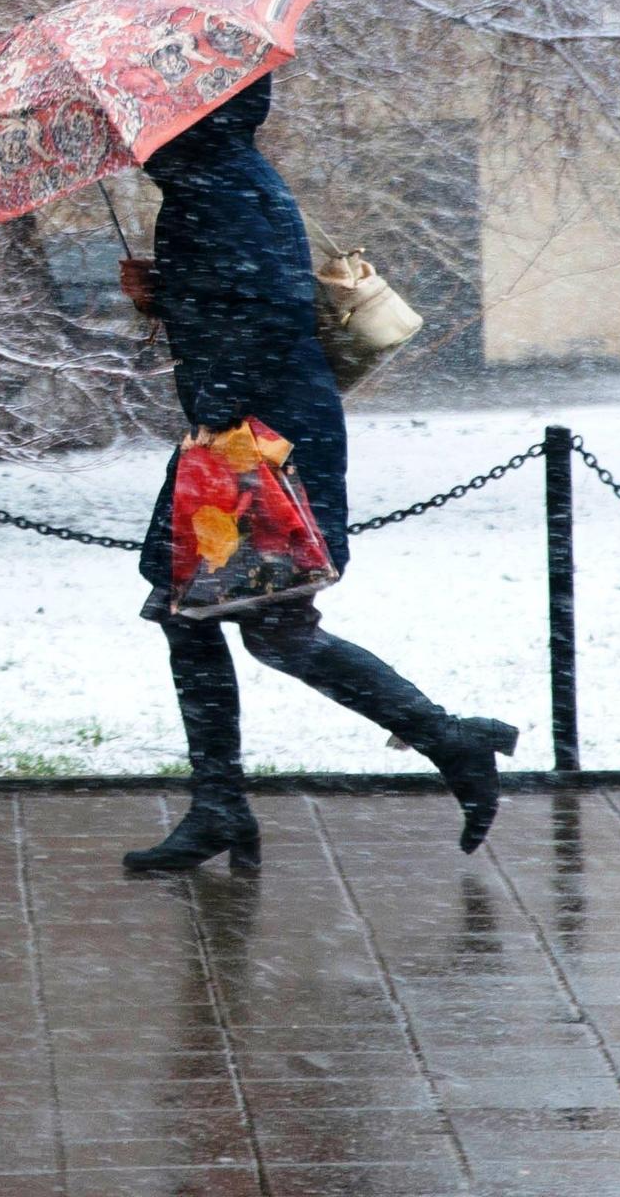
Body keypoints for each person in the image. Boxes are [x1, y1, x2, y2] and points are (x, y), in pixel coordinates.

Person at [121, 71, 516, 872]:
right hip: (246, 429)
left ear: (191, 112)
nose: (139, 123)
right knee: (197, 613)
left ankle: (446, 742)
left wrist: (216, 395)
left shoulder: (219, 186)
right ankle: (224, 803)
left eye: (153, 106)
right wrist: (164, 295)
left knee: (263, 626)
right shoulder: (211, 178)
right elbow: (236, 300)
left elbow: (268, 312)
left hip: (257, 437)